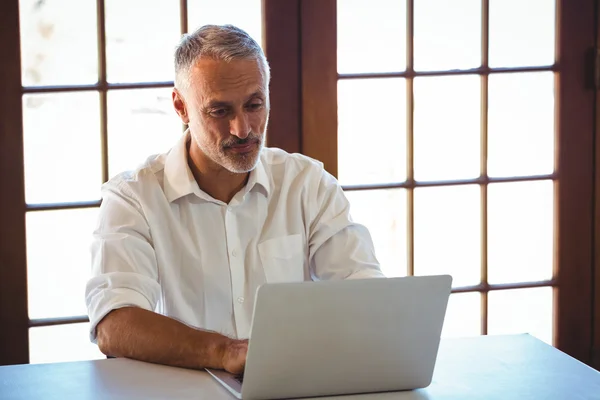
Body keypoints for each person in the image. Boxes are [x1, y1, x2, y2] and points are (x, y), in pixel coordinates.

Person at [85, 24, 384, 376]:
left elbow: (365, 293)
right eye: (220, 111)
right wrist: (224, 351)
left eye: (254, 105)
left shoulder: (307, 184)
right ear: (181, 107)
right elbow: (115, 324)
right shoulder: (133, 197)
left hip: (288, 387)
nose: (243, 129)